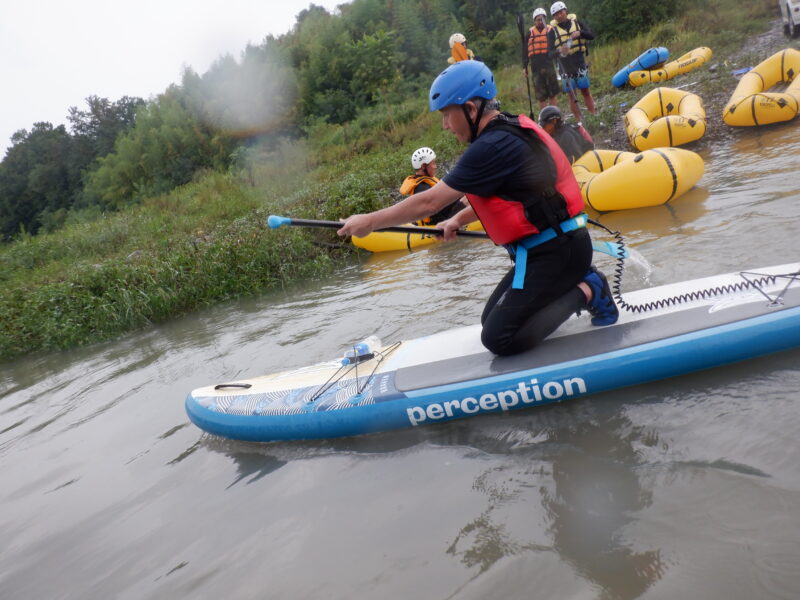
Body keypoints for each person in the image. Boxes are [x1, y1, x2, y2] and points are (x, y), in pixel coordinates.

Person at [338, 61, 618, 356]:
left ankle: (589, 288)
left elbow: (430, 201)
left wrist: (369, 221)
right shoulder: (507, 130)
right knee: (490, 320)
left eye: (447, 115)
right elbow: (515, 195)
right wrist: (457, 219)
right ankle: (573, 283)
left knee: (499, 339)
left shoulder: (491, 146)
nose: (445, 125)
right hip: (550, 250)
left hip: (557, 253)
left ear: (471, 109)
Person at [547, 1, 597, 122]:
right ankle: (579, 120)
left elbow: (591, 35)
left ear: (566, 11)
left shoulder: (578, 23)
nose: (559, 16)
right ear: (554, 17)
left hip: (579, 62)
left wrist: (581, 33)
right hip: (564, 66)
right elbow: (549, 54)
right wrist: (559, 50)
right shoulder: (552, 32)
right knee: (571, 94)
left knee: (585, 90)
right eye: (556, 14)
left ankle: (593, 115)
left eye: (561, 12)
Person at [400, 147, 464, 224]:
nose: (435, 166)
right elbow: (437, 210)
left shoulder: (425, 181)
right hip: (439, 223)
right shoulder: (422, 188)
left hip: (443, 215)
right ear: (423, 166)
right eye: (433, 163)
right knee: (467, 198)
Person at [525, 8, 560, 110]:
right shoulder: (529, 33)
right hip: (536, 67)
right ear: (535, 21)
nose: (540, 21)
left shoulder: (551, 31)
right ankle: (545, 117)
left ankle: (555, 113)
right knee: (541, 96)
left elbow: (556, 47)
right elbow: (525, 50)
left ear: (545, 19)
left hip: (549, 65)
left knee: (552, 93)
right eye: (538, 19)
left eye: (542, 19)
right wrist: (525, 66)